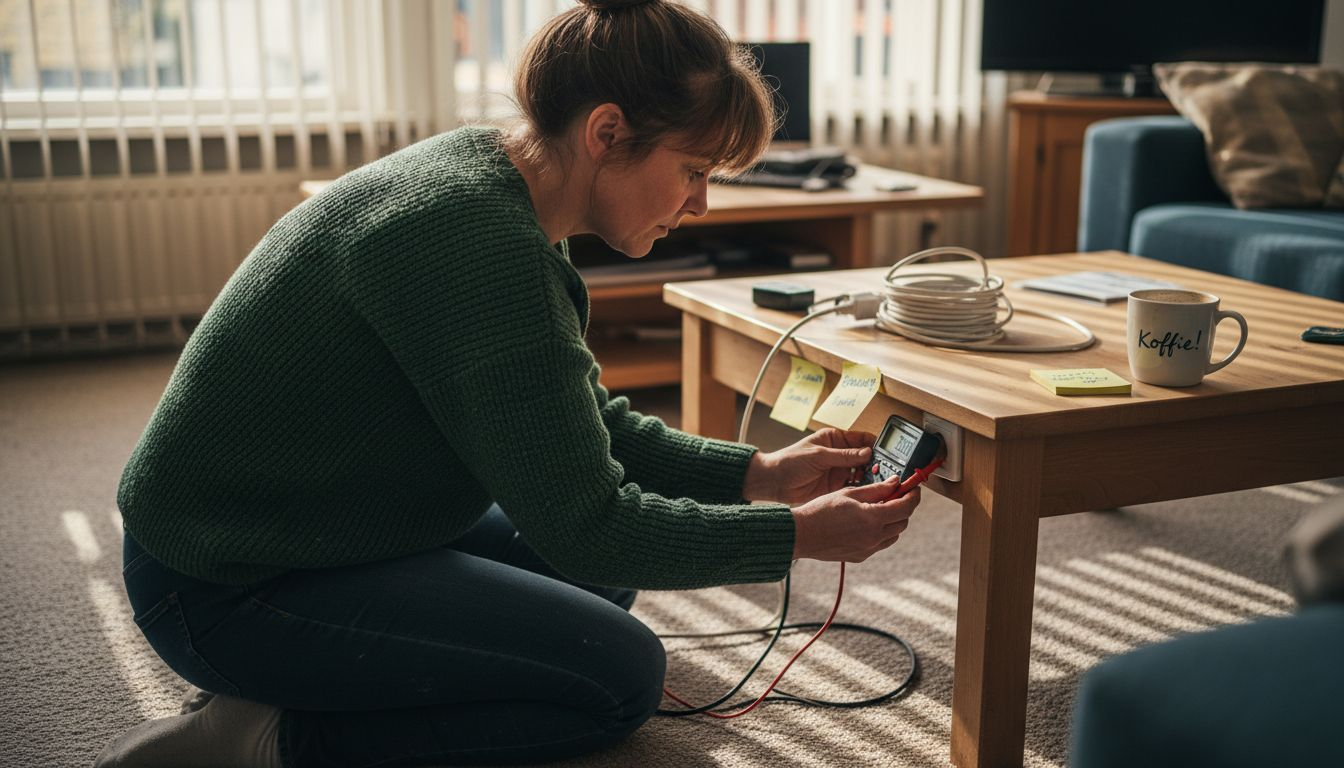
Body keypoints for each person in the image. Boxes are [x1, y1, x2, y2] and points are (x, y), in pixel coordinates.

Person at [96, 1, 922, 766]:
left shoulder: (498, 185)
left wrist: (759, 475)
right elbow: (590, 524)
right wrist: (794, 536)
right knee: (619, 676)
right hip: (222, 582)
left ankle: (305, 679)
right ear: (607, 131)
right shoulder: (483, 248)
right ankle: (268, 736)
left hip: (298, 521)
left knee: (601, 582)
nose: (701, 203)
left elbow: (579, 426)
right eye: (695, 170)